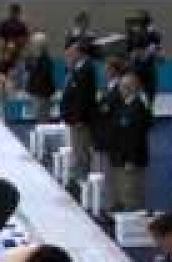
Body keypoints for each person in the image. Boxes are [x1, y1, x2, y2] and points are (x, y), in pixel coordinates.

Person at [106, 73, 152, 212]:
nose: (120, 90)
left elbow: (135, 137)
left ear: (131, 88)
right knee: (121, 192)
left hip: (130, 159)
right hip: (119, 156)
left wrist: (131, 159)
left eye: (123, 87)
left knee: (131, 194)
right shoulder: (123, 105)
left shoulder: (137, 108)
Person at [59, 40, 97, 193]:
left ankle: (82, 180)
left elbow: (84, 97)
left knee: (82, 149)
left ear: (80, 52)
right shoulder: (77, 68)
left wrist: (79, 118)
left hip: (81, 119)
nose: (69, 55)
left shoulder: (86, 70)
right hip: (74, 117)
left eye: (72, 52)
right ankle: (78, 177)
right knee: (76, 148)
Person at [92, 56, 127, 202]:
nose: (104, 72)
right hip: (102, 134)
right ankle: (107, 202)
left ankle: (111, 203)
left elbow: (110, 111)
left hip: (110, 137)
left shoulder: (119, 89)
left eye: (107, 69)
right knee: (104, 172)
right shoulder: (107, 87)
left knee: (110, 173)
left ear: (114, 70)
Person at [125, 9, 162, 106]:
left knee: (149, 95)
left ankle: (147, 110)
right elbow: (128, 51)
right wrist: (134, 55)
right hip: (137, 69)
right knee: (134, 94)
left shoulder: (154, 35)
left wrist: (154, 53)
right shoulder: (132, 34)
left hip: (148, 69)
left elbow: (159, 54)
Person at [22, 32, 55, 123]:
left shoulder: (46, 60)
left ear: (40, 45)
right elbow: (27, 69)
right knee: (36, 117)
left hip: (42, 94)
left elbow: (42, 77)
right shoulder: (32, 58)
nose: (32, 45)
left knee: (42, 118)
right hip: (34, 92)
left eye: (34, 43)